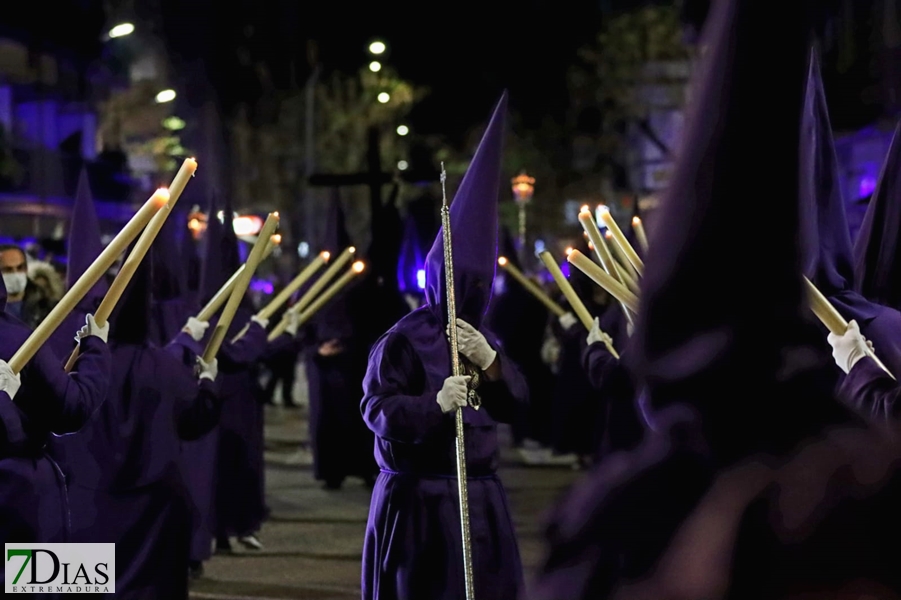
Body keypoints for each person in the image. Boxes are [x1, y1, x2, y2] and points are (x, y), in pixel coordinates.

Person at [361, 92, 528, 600]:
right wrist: (433, 404)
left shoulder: (483, 335)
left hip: (480, 500)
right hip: (419, 505)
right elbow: (376, 408)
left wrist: (492, 364)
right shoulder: (402, 341)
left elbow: (516, 404)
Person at [0, 243, 56, 328]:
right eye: (8, 269)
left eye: (20, 267)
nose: (15, 273)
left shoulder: (48, 308)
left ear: (26, 269)